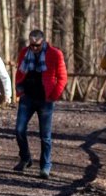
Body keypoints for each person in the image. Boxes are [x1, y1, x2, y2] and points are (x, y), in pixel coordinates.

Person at [13, 29, 68, 179]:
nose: (34, 48)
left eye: (37, 45)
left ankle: (45, 166)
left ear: (43, 42)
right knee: (19, 130)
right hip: (27, 97)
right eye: (32, 45)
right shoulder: (24, 53)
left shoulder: (55, 54)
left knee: (45, 136)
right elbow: (19, 72)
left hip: (45, 99)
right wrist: (20, 90)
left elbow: (62, 77)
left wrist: (54, 95)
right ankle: (25, 157)